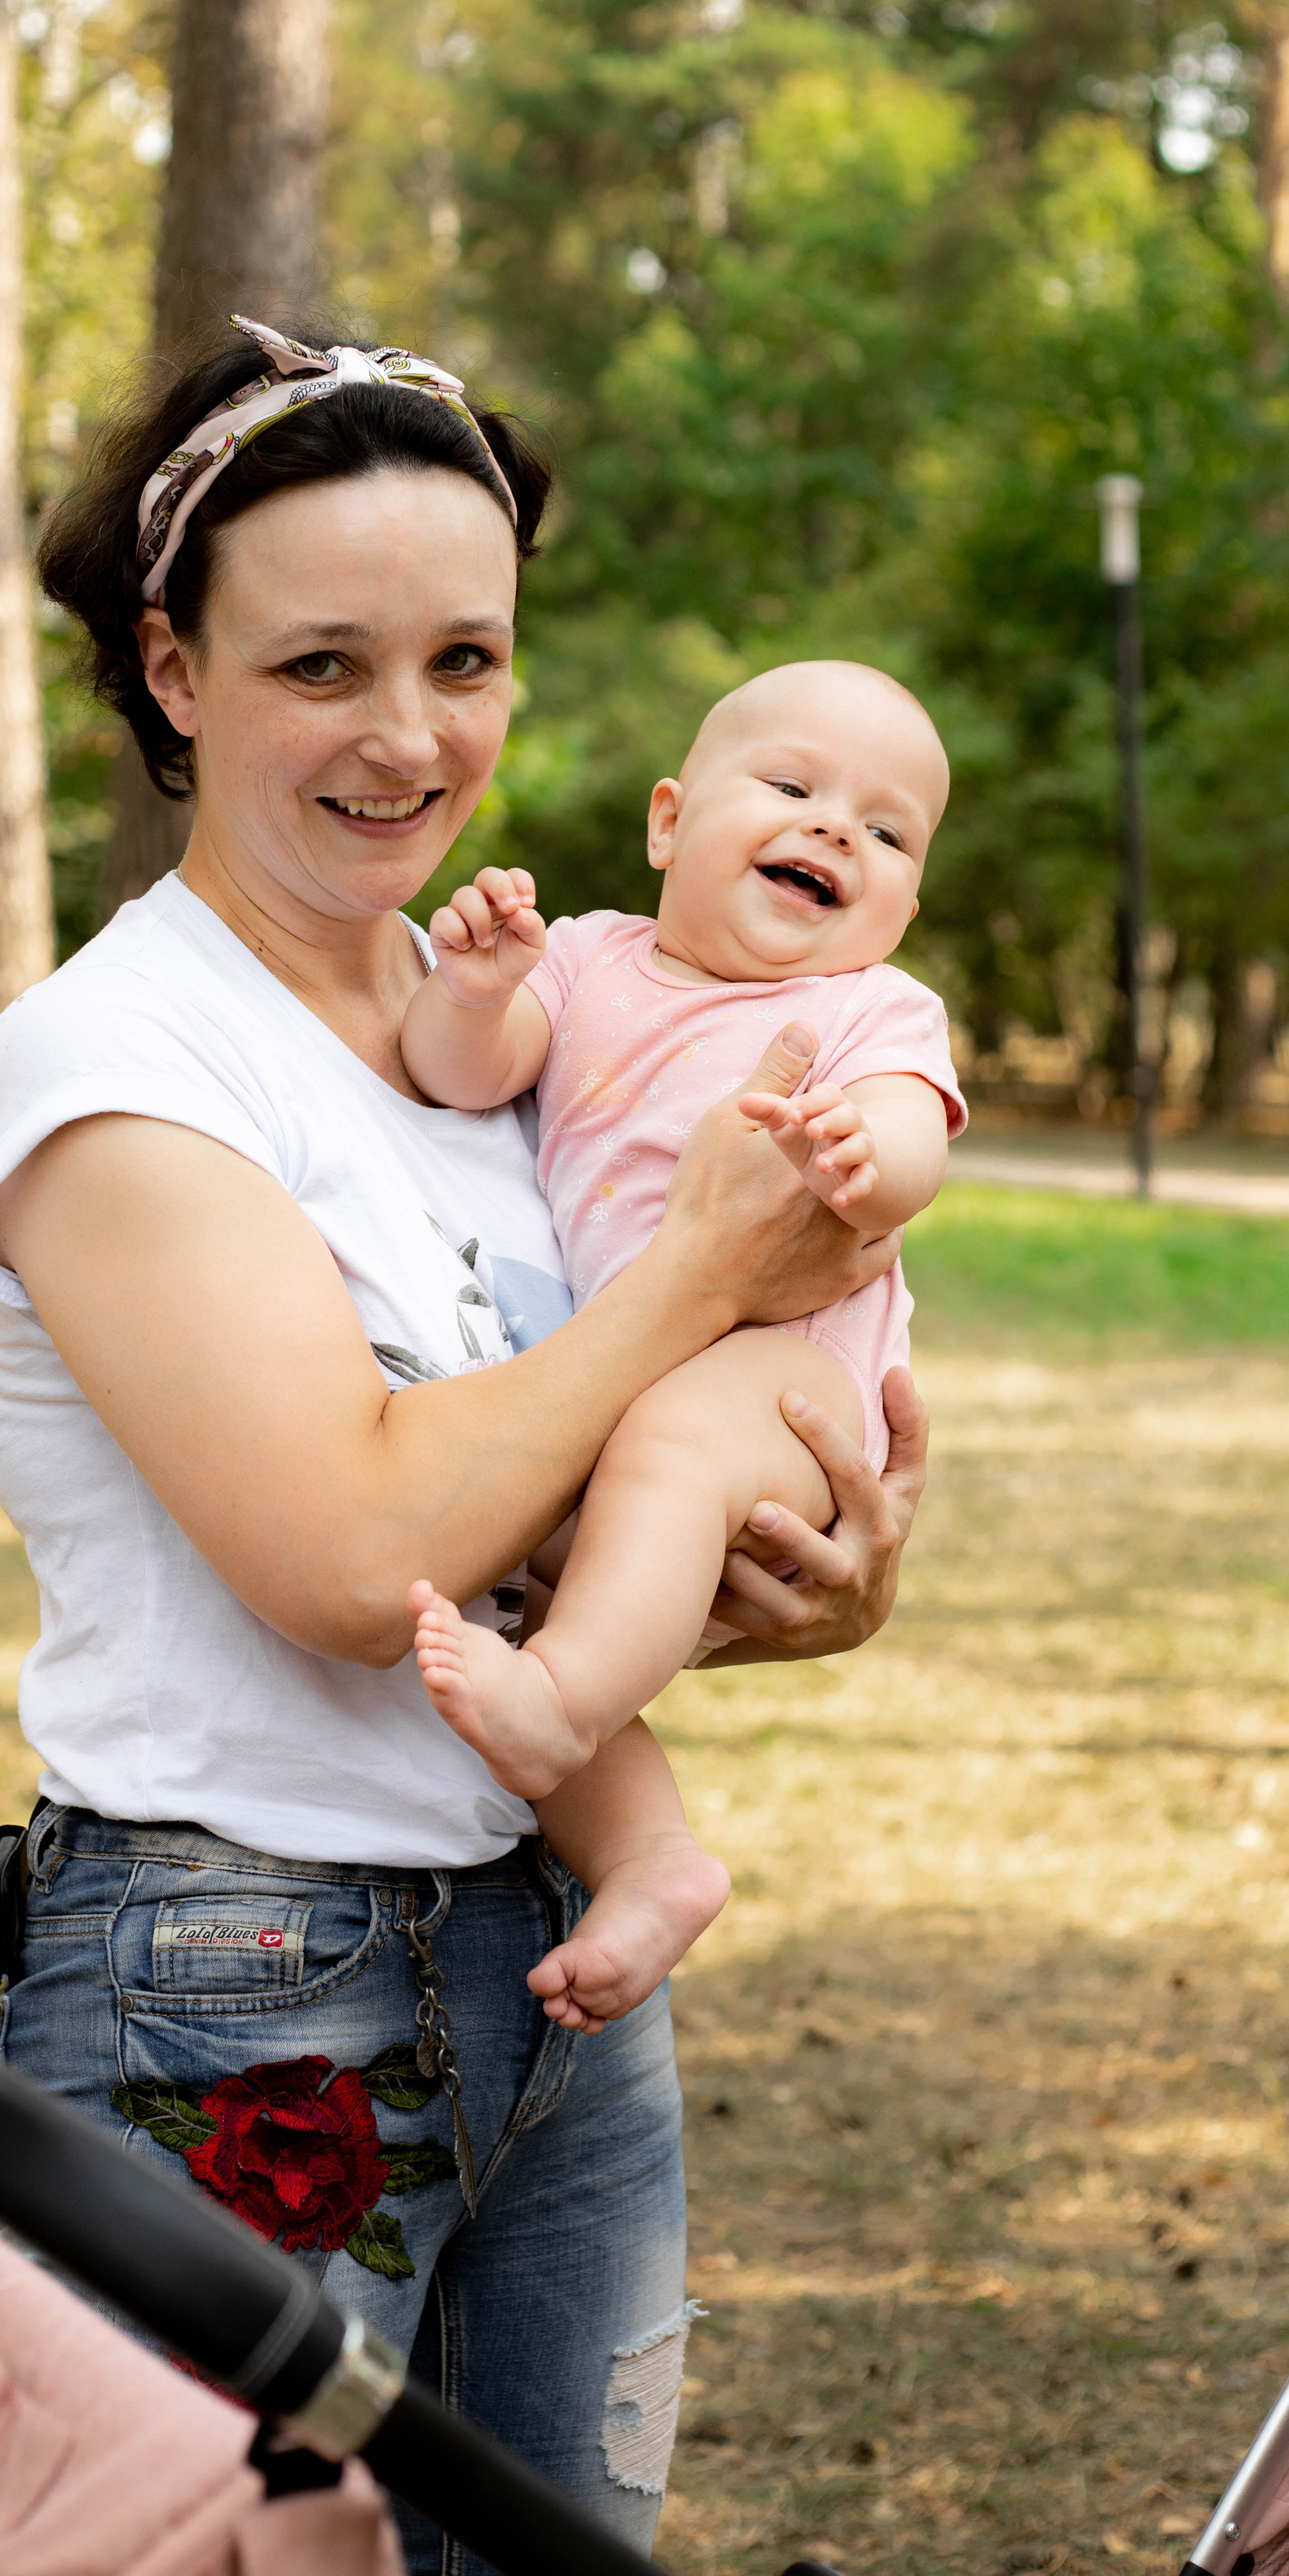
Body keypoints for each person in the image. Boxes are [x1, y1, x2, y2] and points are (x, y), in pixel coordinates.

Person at [0, 316, 929, 2576]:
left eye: (465, 658)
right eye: (324, 666)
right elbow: (356, 1544)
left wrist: (814, 1564)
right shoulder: (114, 1066)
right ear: (173, 669)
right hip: (231, 1975)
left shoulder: (502, 1027)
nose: (412, 740)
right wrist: (698, 1285)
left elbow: (554, 1497)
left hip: (563, 1970)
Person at [400, 662, 964, 2031]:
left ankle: (557, 1712)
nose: (839, 830)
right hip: (631, 1384)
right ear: (668, 823)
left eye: (888, 832)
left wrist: (862, 1153)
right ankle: (652, 1859)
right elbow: (458, 1071)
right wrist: (476, 989)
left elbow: (912, 1141)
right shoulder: (589, 957)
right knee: (537, 1577)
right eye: (793, 788)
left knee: (628, 1509)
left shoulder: (867, 1011)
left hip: (782, 1385)